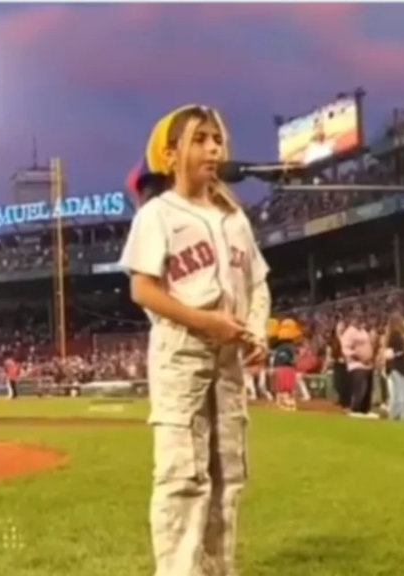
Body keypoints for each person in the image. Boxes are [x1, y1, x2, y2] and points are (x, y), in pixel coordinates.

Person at [119, 104, 271, 576]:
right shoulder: (158, 214)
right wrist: (207, 323)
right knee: (183, 478)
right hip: (181, 354)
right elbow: (142, 289)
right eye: (200, 139)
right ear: (170, 154)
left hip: (227, 358)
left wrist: (258, 330)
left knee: (228, 475)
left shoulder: (234, 218)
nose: (213, 148)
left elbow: (258, 283)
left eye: (216, 140)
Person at [382, 312, 404, 421]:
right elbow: (399, 351)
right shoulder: (397, 335)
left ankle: (394, 416)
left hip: (392, 368)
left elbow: (388, 354)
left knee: (395, 394)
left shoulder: (390, 335)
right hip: (399, 367)